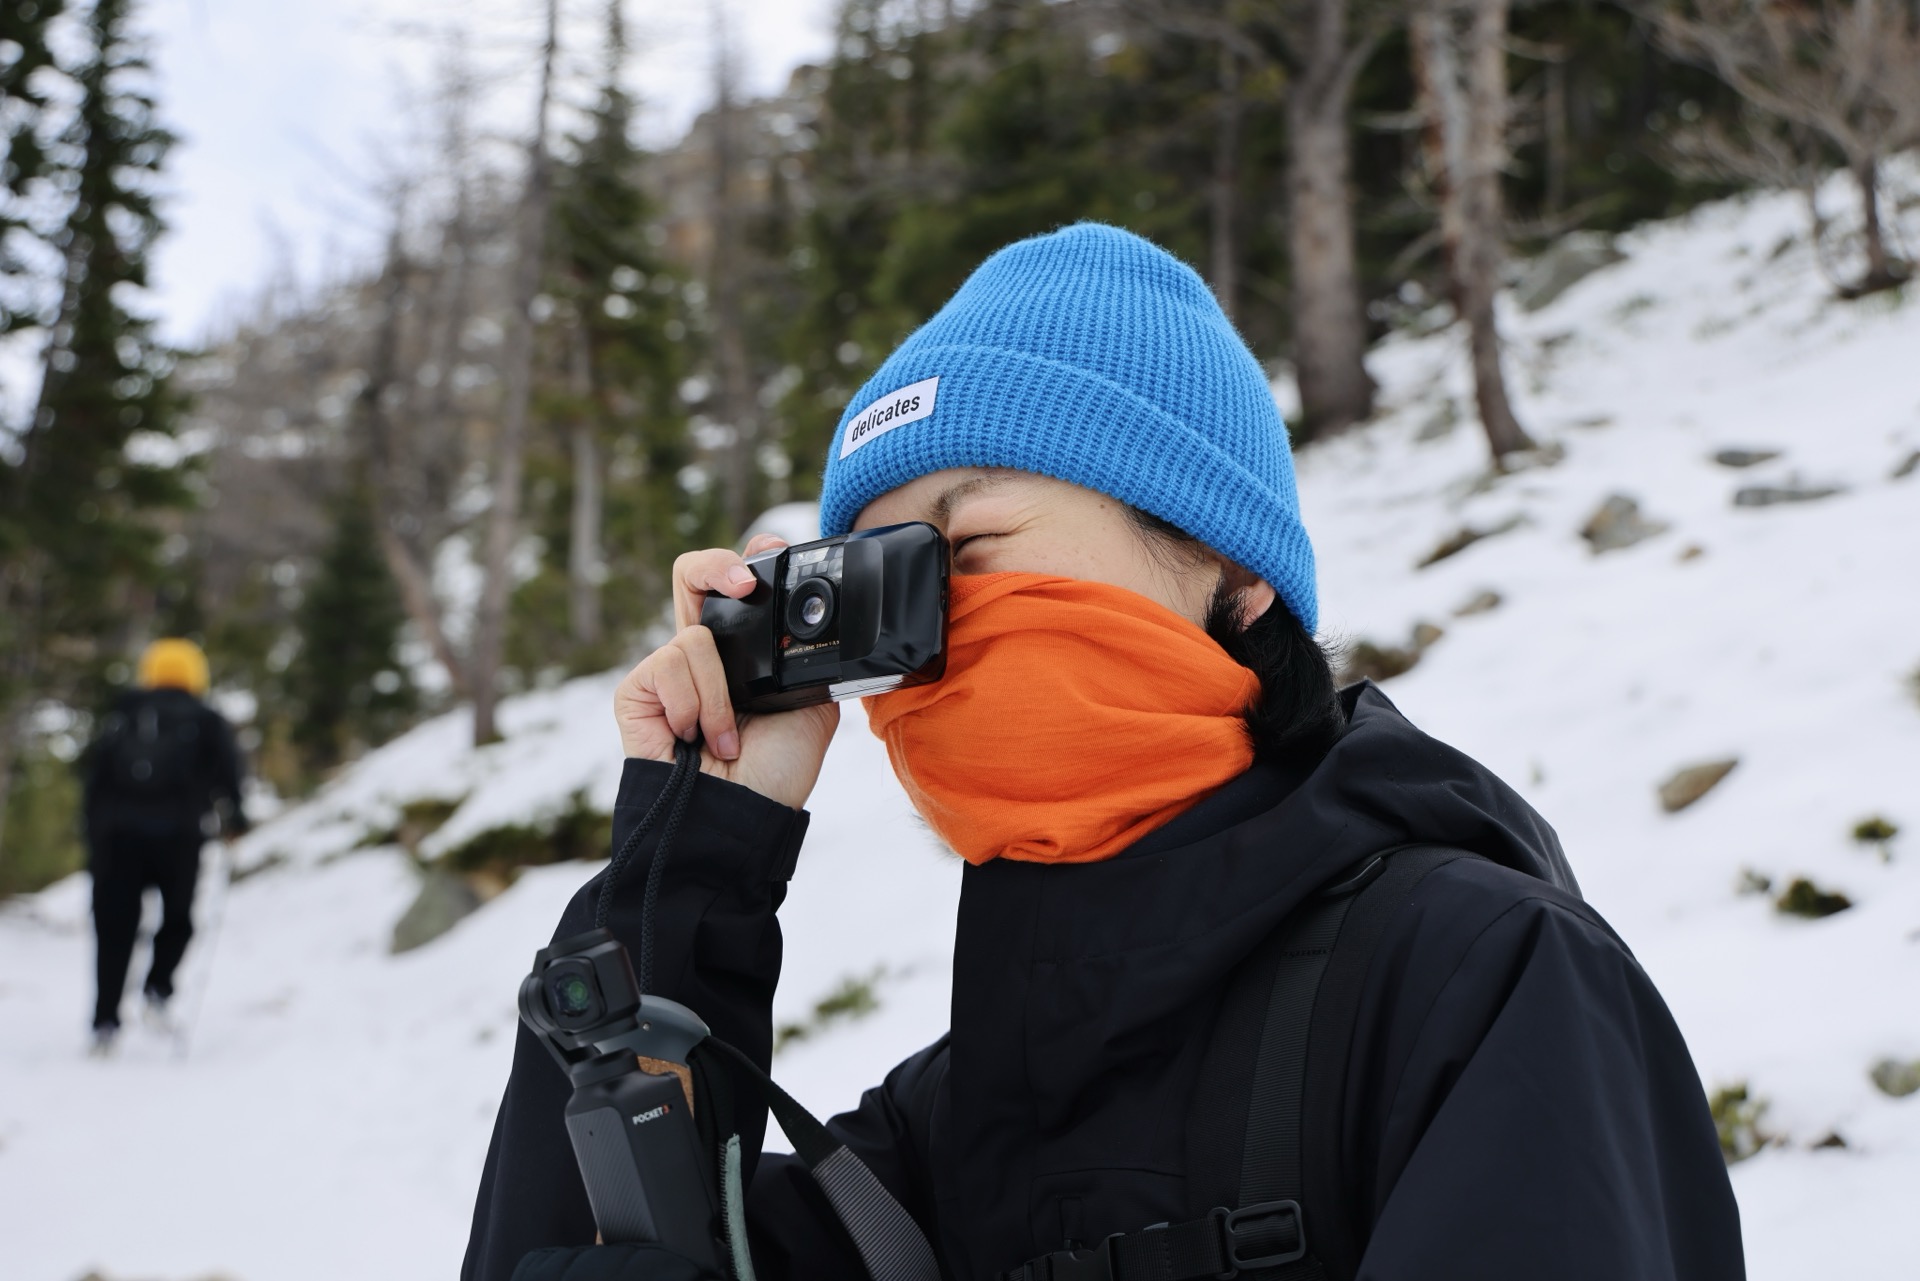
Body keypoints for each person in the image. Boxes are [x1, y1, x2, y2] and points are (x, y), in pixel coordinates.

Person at [465, 226, 1742, 1280]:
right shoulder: (950, 1127)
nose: (937, 639)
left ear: (1228, 569)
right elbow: (565, 1258)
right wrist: (696, 858)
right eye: (884, 594)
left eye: (967, 554)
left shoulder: (1483, 984)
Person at [83, 638, 249, 1055]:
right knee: (178, 919)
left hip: (117, 838)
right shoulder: (207, 719)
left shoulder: (125, 714)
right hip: (179, 838)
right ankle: (157, 989)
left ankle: (105, 1020)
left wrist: (92, 832)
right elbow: (230, 776)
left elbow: (95, 779)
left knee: (114, 929)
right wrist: (236, 820)